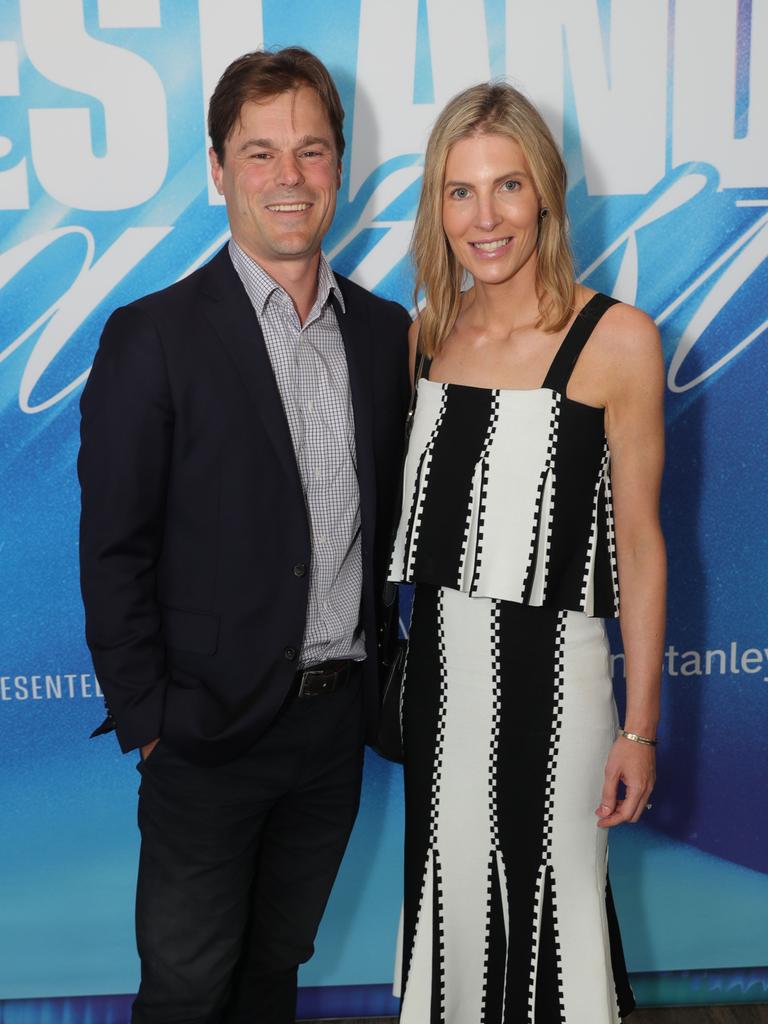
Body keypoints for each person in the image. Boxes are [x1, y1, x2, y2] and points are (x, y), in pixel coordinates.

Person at [78, 47, 410, 1024]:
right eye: (259, 153)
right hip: (202, 733)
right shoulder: (154, 336)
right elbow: (113, 548)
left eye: (310, 151)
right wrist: (150, 721)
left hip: (333, 723)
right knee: (186, 984)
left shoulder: (387, 334)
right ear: (220, 170)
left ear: (340, 166)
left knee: (274, 971)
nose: (289, 178)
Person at [388, 82, 666, 1022]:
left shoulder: (616, 340)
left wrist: (639, 728)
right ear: (438, 206)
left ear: (545, 192)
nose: (486, 217)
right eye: (461, 192)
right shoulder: (428, 334)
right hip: (441, 684)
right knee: (455, 922)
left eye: (508, 186)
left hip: (563, 691)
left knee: (554, 933)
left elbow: (641, 543)